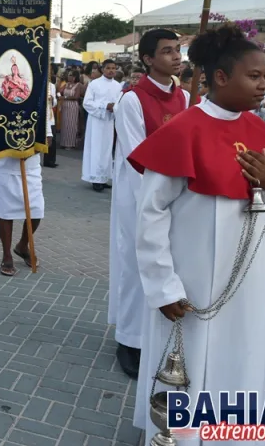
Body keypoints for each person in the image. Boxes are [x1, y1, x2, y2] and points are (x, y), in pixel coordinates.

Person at [129, 24, 265, 445]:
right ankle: (179, 438)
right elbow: (149, 213)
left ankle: (234, 437)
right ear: (221, 77)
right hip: (192, 283)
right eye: (254, 76)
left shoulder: (260, 131)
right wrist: (162, 285)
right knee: (190, 363)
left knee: (245, 352)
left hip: (248, 281)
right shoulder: (183, 130)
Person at [108, 29, 189, 380]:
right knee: (134, 263)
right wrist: (159, 198)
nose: (176, 57)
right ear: (148, 59)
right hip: (139, 195)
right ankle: (129, 340)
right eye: (167, 51)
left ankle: (157, 333)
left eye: (178, 50)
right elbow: (136, 155)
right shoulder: (132, 100)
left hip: (176, 194)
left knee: (166, 262)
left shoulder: (186, 98)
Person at [0, 119, 52, 276]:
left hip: (30, 168)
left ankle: (23, 245)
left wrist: (28, 152)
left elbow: (47, 138)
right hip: (4, 167)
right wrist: (12, 149)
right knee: (5, 212)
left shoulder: (38, 104)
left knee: (36, 210)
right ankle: (6, 255)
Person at [81, 59, 122, 191]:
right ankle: (95, 178)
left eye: (114, 68)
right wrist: (105, 106)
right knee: (96, 149)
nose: (111, 71)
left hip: (109, 121)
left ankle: (104, 177)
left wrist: (115, 108)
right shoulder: (94, 84)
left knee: (107, 149)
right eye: (108, 68)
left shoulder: (118, 86)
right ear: (103, 69)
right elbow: (87, 103)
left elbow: (120, 102)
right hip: (96, 121)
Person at [58, 70, 84, 149]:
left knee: (71, 124)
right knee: (65, 124)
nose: (69, 77)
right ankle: (63, 142)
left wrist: (65, 97)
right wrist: (59, 96)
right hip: (65, 106)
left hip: (73, 106)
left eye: (71, 75)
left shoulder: (78, 85)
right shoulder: (66, 84)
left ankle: (70, 143)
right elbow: (59, 91)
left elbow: (76, 96)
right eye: (69, 75)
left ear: (74, 77)